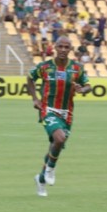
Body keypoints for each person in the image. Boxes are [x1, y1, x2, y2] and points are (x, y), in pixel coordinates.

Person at [27, 36, 91, 197]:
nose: (63, 49)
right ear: (55, 47)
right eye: (60, 46)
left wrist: (82, 90)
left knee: (55, 146)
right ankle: (50, 170)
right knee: (60, 139)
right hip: (48, 109)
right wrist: (35, 98)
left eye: (66, 47)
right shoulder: (45, 66)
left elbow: (88, 85)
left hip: (67, 114)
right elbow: (30, 78)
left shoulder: (77, 68)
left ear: (70, 49)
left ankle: (41, 179)